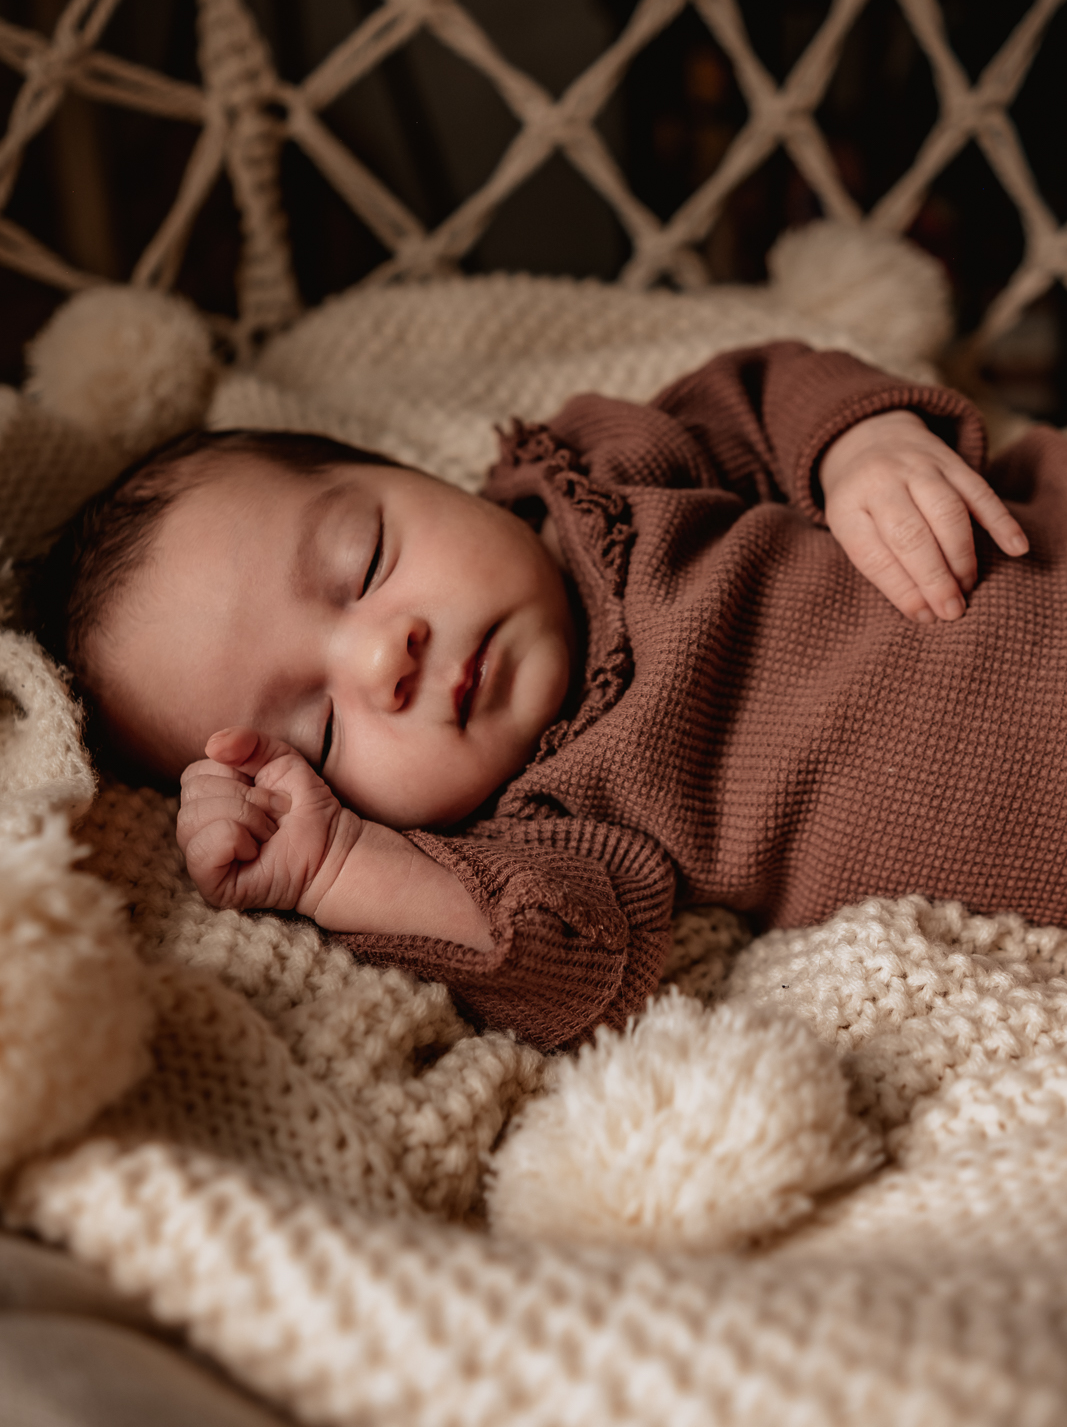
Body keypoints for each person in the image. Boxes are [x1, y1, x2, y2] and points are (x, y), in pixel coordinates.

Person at [37, 341, 1058, 1052]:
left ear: (424, 478)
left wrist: (857, 446)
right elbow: (570, 968)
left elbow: (756, 388)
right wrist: (337, 865)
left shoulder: (600, 478)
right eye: (324, 726)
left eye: (364, 561)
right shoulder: (532, 826)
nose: (385, 658)